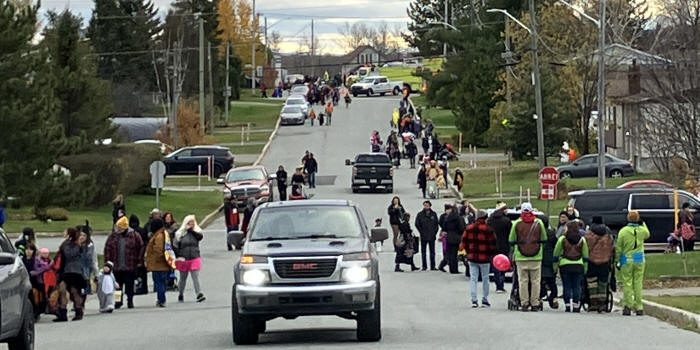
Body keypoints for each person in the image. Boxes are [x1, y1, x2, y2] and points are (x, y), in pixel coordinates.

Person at [508, 202, 548, 312]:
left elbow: (511, 240)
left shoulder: (516, 223)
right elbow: (544, 239)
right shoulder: (538, 222)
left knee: (522, 281)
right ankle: (535, 303)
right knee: (535, 281)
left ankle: (524, 303)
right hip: (536, 256)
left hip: (521, 256)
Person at [104, 216, 144, 309]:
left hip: (130, 265)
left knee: (130, 285)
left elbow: (141, 247)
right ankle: (118, 301)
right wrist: (107, 262)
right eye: (117, 227)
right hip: (116, 266)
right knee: (118, 286)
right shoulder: (112, 236)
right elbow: (107, 249)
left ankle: (130, 300)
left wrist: (139, 260)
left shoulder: (134, 235)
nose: (118, 229)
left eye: (120, 228)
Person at [460, 210, 497, 307]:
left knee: (473, 279)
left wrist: (468, 252)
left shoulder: (469, 228)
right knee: (485, 278)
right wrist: (491, 254)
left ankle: (474, 300)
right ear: (485, 217)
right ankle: (485, 299)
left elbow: (463, 243)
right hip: (485, 257)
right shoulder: (488, 229)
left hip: (472, 257)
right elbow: (493, 244)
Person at [616, 210, 650, 316]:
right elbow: (648, 234)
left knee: (627, 283)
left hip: (626, 258)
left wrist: (618, 260)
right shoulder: (642, 231)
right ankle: (639, 306)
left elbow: (619, 247)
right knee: (638, 282)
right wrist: (642, 223)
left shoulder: (623, 231)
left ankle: (628, 305)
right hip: (638, 258)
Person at [554, 221, 589, 313]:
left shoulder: (562, 239)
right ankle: (576, 304)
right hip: (578, 265)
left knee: (567, 286)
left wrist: (555, 266)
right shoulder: (582, 240)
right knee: (577, 286)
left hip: (565, 265)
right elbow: (585, 255)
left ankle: (567, 305)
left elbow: (556, 253)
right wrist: (585, 268)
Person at [55, 228, 87, 322]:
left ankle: (78, 311)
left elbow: (69, 254)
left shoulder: (73, 244)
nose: (63, 233)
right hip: (65, 271)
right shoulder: (68, 243)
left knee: (74, 291)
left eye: (65, 232)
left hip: (73, 271)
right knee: (62, 290)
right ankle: (63, 313)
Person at [585, 216, 615, 312]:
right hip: (605, 261)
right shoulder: (608, 234)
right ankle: (602, 303)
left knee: (592, 282)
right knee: (603, 282)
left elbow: (586, 248)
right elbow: (612, 248)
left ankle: (593, 302)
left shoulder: (589, 234)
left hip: (591, 261)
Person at [174, 215, 206, 303]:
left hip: (195, 257)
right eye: (189, 222)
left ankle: (199, 294)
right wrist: (178, 256)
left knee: (195, 276)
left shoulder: (196, 232)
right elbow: (175, 245)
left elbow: (200, 237)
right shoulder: (180, 233)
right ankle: (181, 293)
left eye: (192, 222)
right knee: (183, 278)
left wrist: (191, 231)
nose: (191, 224)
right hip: (184, 258)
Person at [487, 202, 512, 293]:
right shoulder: (506, 221)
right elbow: (510, 234)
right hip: (503, 246)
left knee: (496, 265)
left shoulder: (490, 220)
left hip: (492, 246)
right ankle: (501, 283)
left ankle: (498, 284)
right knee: (503, 265)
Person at [145, 218, 170, 307]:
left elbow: (158, 250)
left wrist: (153, 257)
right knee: (161, 282)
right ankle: (161, 299)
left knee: (159, 282)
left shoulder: (159, 236)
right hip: (162, 264)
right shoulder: (161, 234)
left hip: (159, 264)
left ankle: (161, 300)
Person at [439, 203, 465, 274]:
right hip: (456, 237)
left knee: (450, 254)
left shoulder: (447, 218)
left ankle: (451, 268)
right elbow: (462, 228)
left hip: (449, 237)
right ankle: (455, 269)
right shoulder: (459, 218)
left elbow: (444, 227)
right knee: (455, 254)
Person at [415, 201, 439, 271]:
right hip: (423, 235)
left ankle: (433, 266)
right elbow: (417, 224)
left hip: (432, 236)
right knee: (423, 252)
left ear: (430, 206)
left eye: (427, 205)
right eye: (425, 205)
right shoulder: (420, 214)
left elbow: (436, 225)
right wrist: (421, 231)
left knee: (432, 252)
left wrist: (434, 232)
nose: (426, 207)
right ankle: (424, 266)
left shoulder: (433, 214)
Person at [540, 222, 560, 310]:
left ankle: (540, 296)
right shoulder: (551, 233)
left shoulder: (538, 232)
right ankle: (553, 298)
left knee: (539, 281)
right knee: (552, 282)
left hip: (539, 258)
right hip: (550, 259)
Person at [29, 247, 51, 320]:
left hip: (47, 281)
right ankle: (38, 310)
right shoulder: (37, 260)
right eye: (43, 253)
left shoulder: (50, 261)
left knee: (44, 296)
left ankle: (44, 309)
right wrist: (45, 268)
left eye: (46, 253)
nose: (45, 255)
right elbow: (36, 270)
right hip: (38, 281)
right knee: (38, 296)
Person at [130, 214, 149, 295]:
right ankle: (143, 288)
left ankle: (134, 289)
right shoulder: (142, 230)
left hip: (132, 256)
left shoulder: (130, 232)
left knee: (133, 274)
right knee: (143, 274)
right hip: (142, 254)